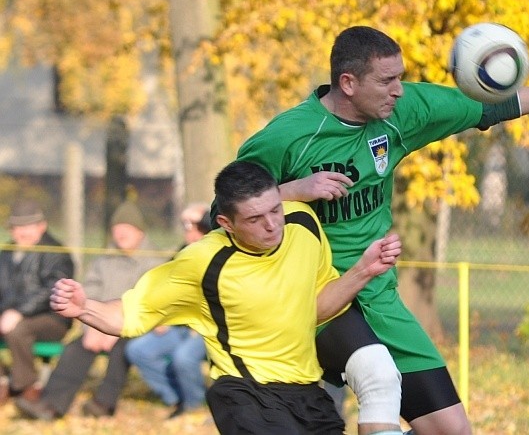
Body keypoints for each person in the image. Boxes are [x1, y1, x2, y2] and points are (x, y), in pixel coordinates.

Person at [233, 25, 529, 434]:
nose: (399, 90)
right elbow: (227, 208)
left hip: (378, 295)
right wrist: (293, 190)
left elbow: (494, 107)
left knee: (452, 430)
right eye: (387, 80)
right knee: (378, 381)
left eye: (401, 77)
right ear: (348, 83)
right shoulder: (290, 137)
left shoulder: (401, 113)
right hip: (317, 296)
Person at [49, 160, 402, 435]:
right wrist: (84, 307)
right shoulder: (201, 262)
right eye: (255, 218)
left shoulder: (303, 222)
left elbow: (314, 308)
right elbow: (127, 315)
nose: (272, 225)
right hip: (246, 394)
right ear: (226, 223)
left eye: (275, 210)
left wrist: (363, 271)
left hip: (307, 392)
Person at [15, 200, 165, 420]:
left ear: (140, 231)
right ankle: (50, 405)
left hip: (137, 326)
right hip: (98, 323)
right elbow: (89, 295)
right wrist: (92, 327)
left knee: (122, 350)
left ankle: (103, 403)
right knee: (75, 349)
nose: (121, 232)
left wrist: (118, 327)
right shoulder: (103, 261)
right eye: (117, 227)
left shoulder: (155, 262)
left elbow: (152, 302)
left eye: (128, 228)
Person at [125, 203, 211, 418]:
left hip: (208, 327)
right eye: (186, 226)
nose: (189, 231)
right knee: (138, 350)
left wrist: (201, 217)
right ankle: (179, 398)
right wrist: (161, 317)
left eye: (194, 226)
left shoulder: (221, 252)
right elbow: (165, 288)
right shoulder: (182, 253)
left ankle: (194, 406)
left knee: (184, 357)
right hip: (178, 324)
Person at [0, 199, 74, 406]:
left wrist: (19, 312)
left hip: (52, 319)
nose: (21, 233)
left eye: (27, 227)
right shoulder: (6, 252)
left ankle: (28, 386)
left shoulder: (56, 253)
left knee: (17, 329)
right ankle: (3, 382)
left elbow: (53, 290)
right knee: (13, 326)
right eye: (17, 227)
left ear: (41, 226)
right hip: (9, 314)